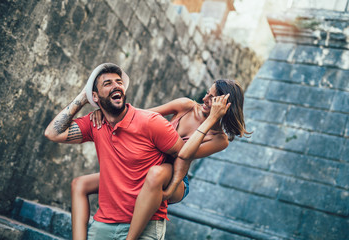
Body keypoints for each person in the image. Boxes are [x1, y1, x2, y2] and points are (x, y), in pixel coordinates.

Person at [71, 77, 251, 239]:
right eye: (207, 93)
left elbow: (184, 153)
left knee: (156, 173)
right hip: (146, 166)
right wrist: (104, 112)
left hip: (174, 177)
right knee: (80, 183)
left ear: (224, 106)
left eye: (212, 98)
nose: (204, 99)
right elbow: (138, 116)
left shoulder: (220, 140)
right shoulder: (186, 106)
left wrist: (211, 120)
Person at [44, 63, 186, 240]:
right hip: (104, 224)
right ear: (94, 96)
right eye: (108, 83)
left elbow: (183, 155)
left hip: (146, 225)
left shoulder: (151, 122)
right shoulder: (94, 123)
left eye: (119, 82)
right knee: (78, 183)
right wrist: (82, 97)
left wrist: (170, 189)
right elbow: (52, 133)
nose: (116, 86)